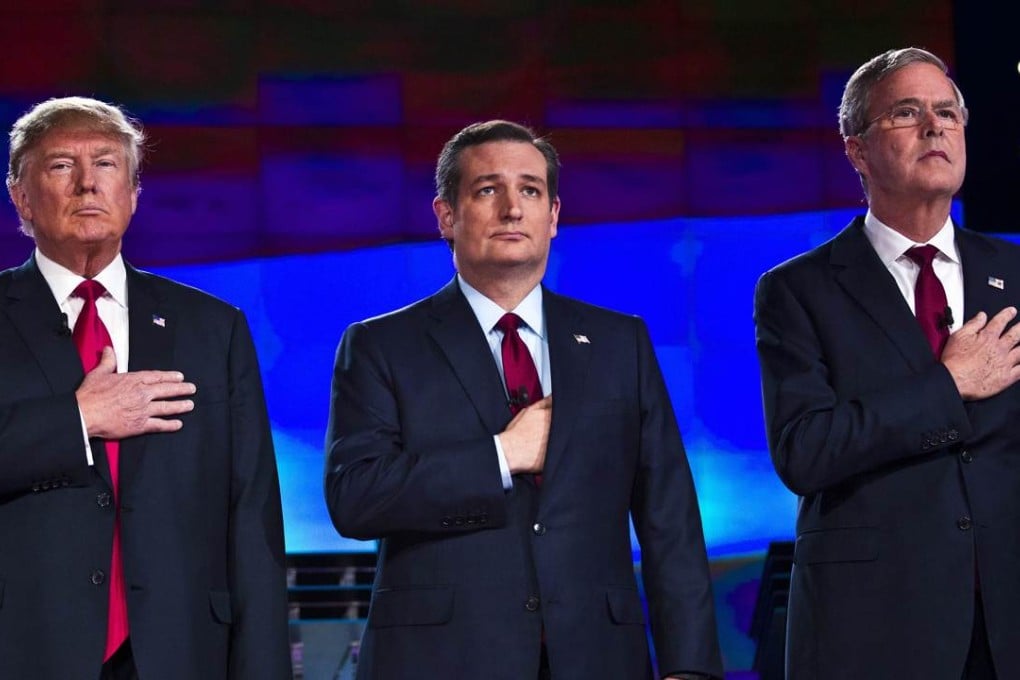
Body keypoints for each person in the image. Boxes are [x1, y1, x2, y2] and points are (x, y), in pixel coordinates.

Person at [324, 120, 722, 679]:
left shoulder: (618, 343)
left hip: (596, 658)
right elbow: (355, 497)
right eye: (488, 189)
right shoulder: (380, 345)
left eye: (531, 190)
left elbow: (669, 519)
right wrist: (500, 456)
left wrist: (691, 668)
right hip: (441, 661)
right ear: (445, 215)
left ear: (553, 216)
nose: (513, 208)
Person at [0, 97, 291, 679]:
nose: (87, 184)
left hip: (181, 652)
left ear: (133, 194)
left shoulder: (214, 328)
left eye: (107, 165)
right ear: (21, 197)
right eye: (61, 165)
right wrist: (77, 420)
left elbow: (252, 517)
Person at [755, 48, 1020, 679]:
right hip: (874, 627)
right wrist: (949, 384)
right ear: (856, 149)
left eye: (948, 112)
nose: (936, 127)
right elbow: (805, 452)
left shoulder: (1014, 274)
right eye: (908, 112)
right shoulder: (798, 290)